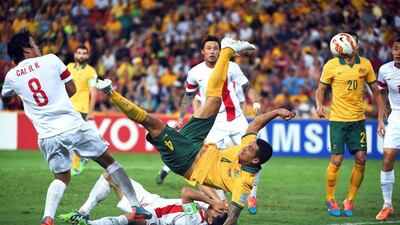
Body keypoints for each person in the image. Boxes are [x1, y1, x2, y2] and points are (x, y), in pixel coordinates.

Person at [96, 37, 296, 224]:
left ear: (254, 161)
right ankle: (227, 49)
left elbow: (233, 218)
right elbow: (254, 126)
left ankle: (110, 92)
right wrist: (277, 111)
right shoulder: (246, 147)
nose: (244, 148)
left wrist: (219, 207)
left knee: (152, 122)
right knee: (215, 101)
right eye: (248, 145)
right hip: (198, 143)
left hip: (185, 160)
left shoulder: (243, 183)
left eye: (249, 150)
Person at [0, 30, 152, 225]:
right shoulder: (51, 60)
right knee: (110, 163)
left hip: (47, 136)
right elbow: (71, 89)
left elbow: (5, 96)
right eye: (34, 44)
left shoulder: (12, 76)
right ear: (26, 50)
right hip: (72, 126)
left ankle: (48, 218)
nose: (38, 48)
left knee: (62, 177)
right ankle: (135, 205)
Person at [156, 35, 262, 214]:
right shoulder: (195, 72)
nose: (213, 51)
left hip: (236, 118)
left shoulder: (232, 66)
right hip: (214, 123)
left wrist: (256, 102)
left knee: (256, 155)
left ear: (220, 51)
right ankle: (220, 200)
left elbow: (247, 86)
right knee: (204, 165)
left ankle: (252, 196)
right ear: (202, 51)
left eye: (216, 48)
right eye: (209, 48)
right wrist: (181, 118)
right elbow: (188, 96)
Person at [315, 32, 379, 217]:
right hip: (337, 120)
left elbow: (375, 90)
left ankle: (350, 199)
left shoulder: (365, 64)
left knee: (361, 159)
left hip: (358, 120)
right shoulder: (331, 65)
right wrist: (319, 105)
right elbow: (320, 89)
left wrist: (381, 111)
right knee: (336, 160)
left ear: (356, 45)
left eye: (354, 42)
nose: (352, 45)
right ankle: (330, 198)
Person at [59, 172, 228, 225]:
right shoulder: (209, 212)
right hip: (151, 200)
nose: (212, 207)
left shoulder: (195, 220)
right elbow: (201, 184)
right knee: (111, 175)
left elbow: (186, 192)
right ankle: (83, 213)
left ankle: (90, 224)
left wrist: (214, 202)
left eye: (214, 210)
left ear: (211, 221)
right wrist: (218, 201)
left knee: (136, 216)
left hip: (155, 217)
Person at [375, 38, 400, 221]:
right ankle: (387, 205)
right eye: (396, 49)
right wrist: (381, 119)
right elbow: (381, 92)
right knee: (388, 156)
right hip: (397, 116)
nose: (398, 52)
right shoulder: (385, 70)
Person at [67, 45, 98, 176]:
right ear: (75, 55)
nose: (81, 55)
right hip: (67, 107)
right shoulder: (68, 67)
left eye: (84, 53)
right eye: (79, 53)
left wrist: (90, 112)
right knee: (70, 138)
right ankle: (84, 157)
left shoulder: (91, 71)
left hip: (81, 109)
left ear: (87, 56)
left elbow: (94, 92)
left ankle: (75, 166)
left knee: (74, 138)